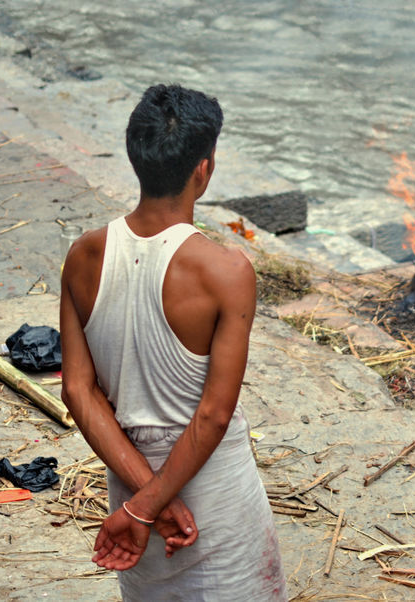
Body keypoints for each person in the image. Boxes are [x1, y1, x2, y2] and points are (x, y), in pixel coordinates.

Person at [60, 84, 286, 601]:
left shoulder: (84, 256)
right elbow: (211, 416)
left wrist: (143, 500)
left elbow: (78, 391)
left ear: (134, 157)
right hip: (213, 488)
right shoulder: (226, 271)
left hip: (128, 475)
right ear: (203, 169)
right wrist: (150, 507)